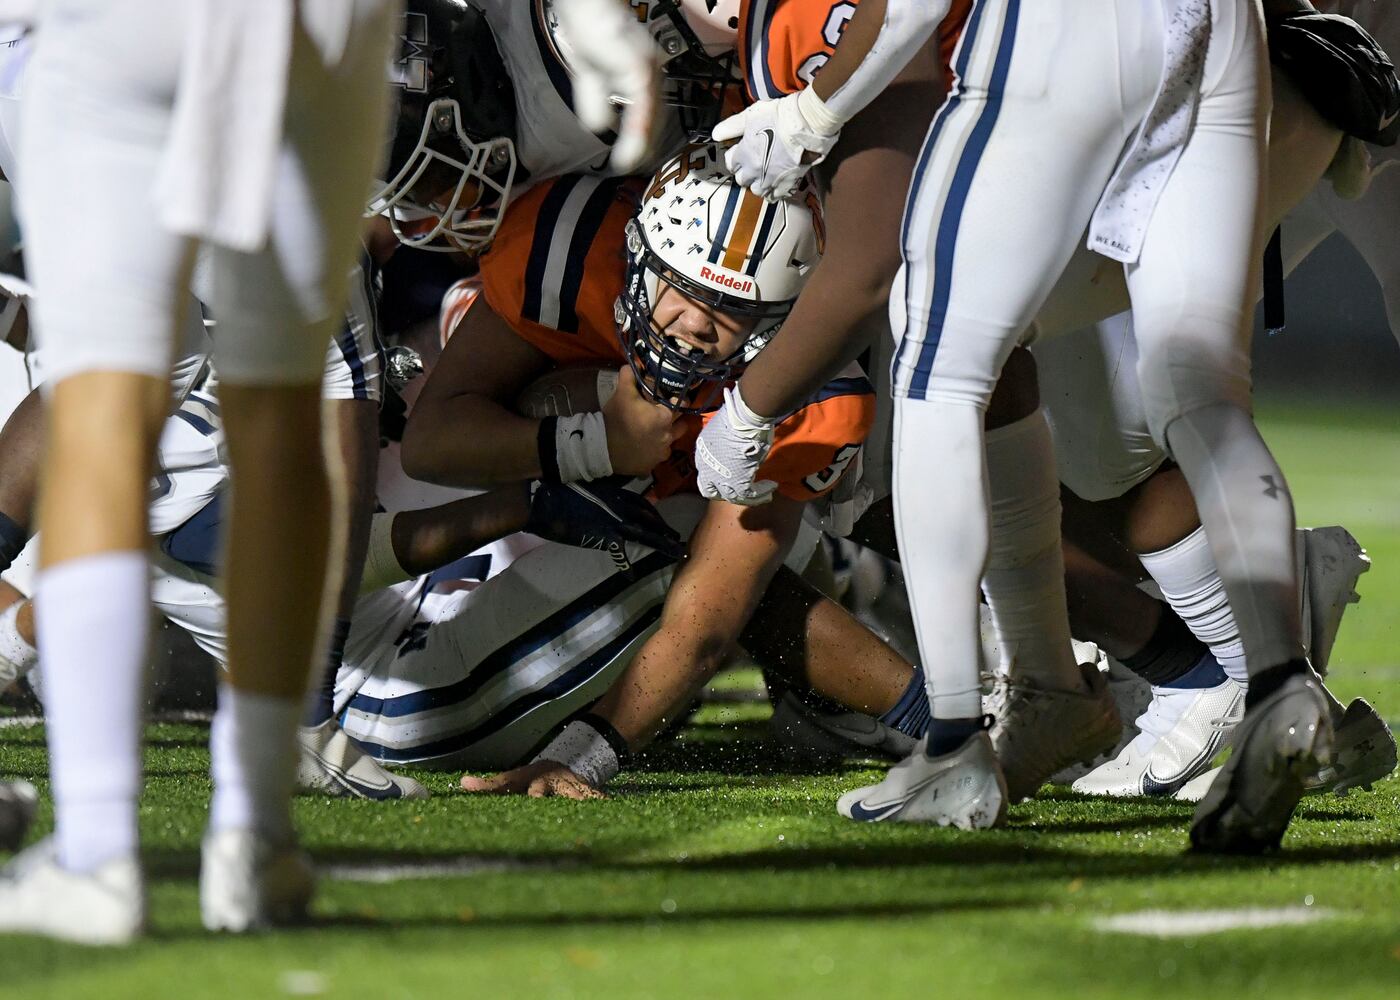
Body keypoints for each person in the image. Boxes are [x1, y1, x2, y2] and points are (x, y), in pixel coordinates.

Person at [0, 0, 664, 946]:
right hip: (335, 36)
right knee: (282, 428)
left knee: (106, 410)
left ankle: (97, 855)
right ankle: (257, 830)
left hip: (136, 33)